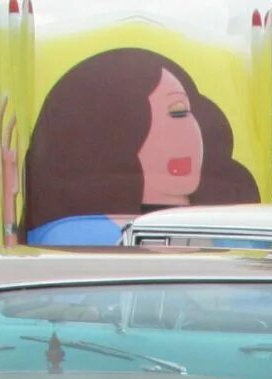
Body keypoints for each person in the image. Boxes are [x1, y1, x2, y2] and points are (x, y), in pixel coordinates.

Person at [15, 48, 259, 244]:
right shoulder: (67, 236)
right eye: (133, 120)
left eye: (179, 112)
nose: (175, 136)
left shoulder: (241, 231)